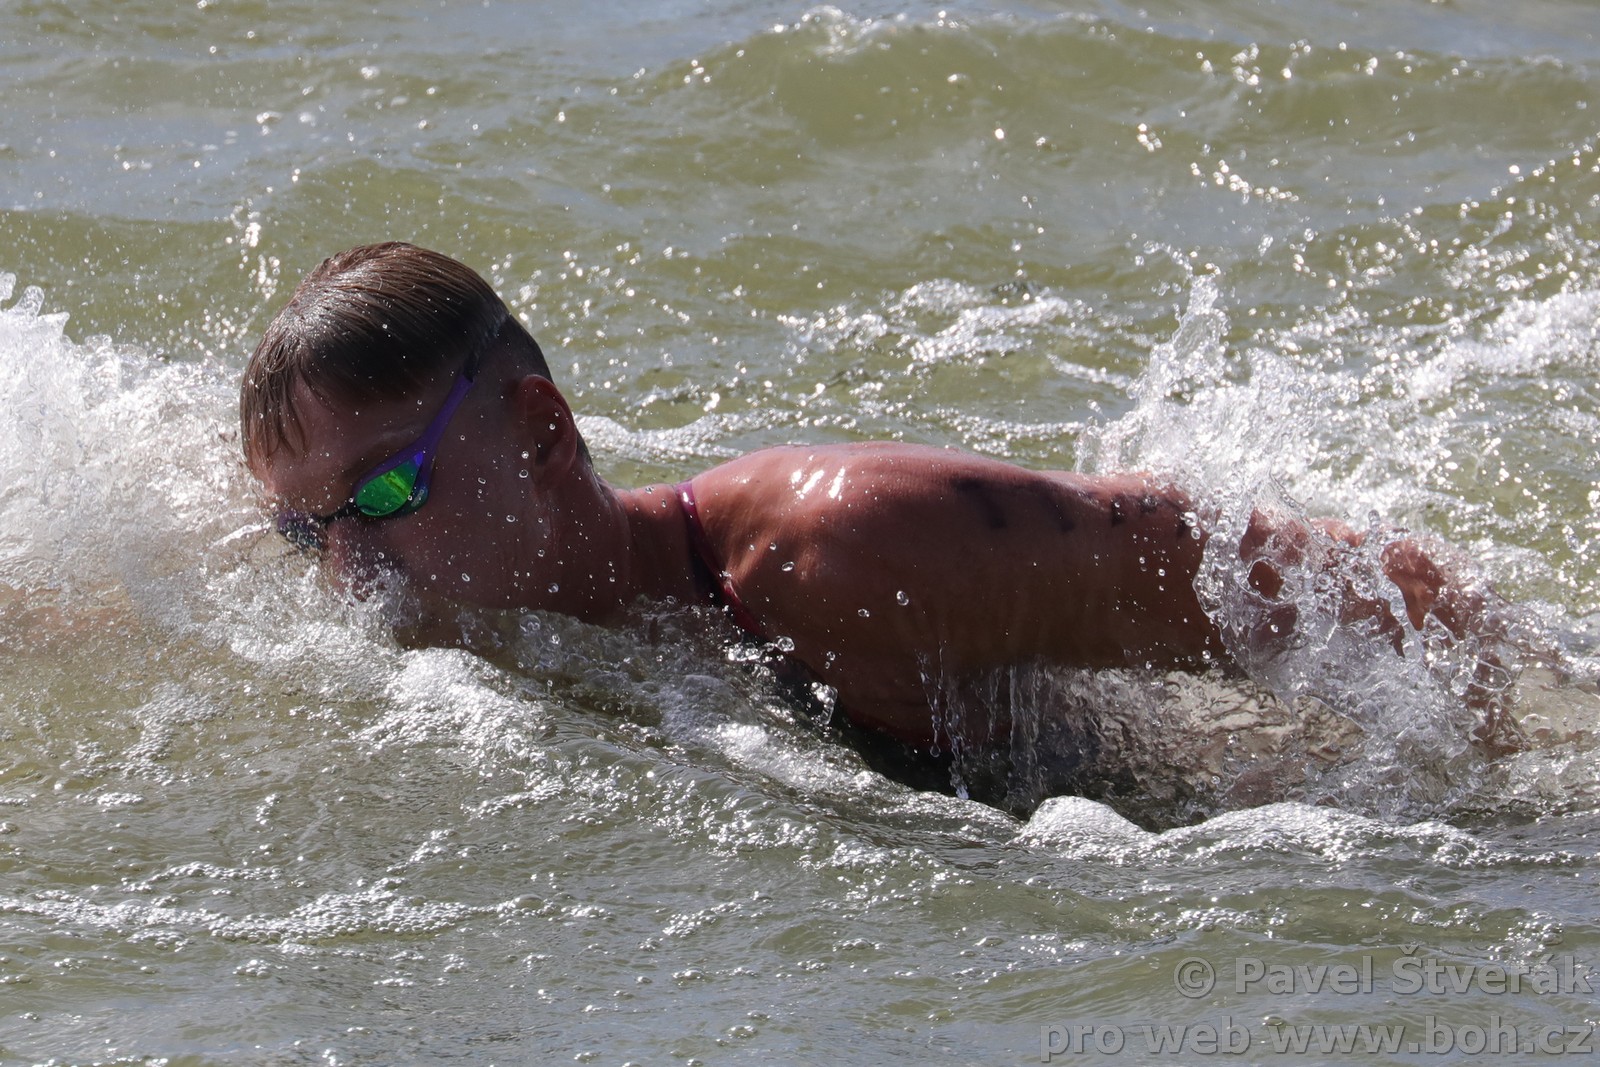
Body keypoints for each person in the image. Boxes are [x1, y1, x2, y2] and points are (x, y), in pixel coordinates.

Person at [241, 242, 1515, 765]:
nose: (352, 571)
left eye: (387, 491)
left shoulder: (846, 544)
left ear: (541, 430)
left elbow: (1388, 594)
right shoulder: (494, 632)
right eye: (307, 529)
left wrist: (1525, 785)